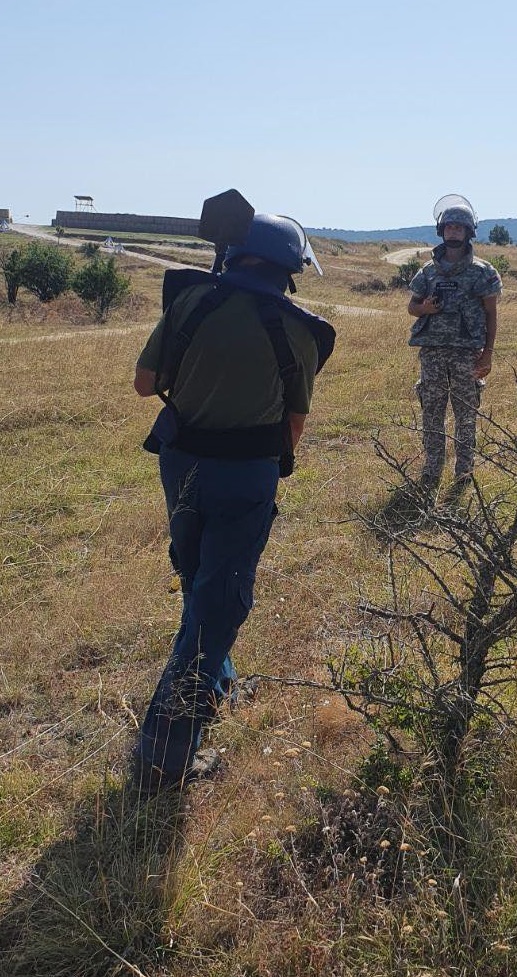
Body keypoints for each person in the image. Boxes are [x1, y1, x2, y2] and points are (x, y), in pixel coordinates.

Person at [133, 213, 335, 788]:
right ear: (289, 267)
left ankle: (215, 683)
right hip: (247, 474)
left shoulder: (192, 301)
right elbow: (294, 424)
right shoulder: (297, 327)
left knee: (199, 577)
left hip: (182, 464)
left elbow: (146, 384)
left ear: (234, 256)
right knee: (221, 599)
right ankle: (165, 754)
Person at [407, 194, 502, 500]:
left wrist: (487, 353)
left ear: (469, 231)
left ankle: (464, 471)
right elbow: (412, 306)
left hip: (466, 354)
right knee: (432, 412)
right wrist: (427, 310)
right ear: (441, 230)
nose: (454, 232)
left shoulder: (483, 271)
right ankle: (432, 469)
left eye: (460, 227)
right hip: (433, 353)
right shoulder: (428, 271)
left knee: (466, 413)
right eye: (449, 226)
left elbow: (491, 313)